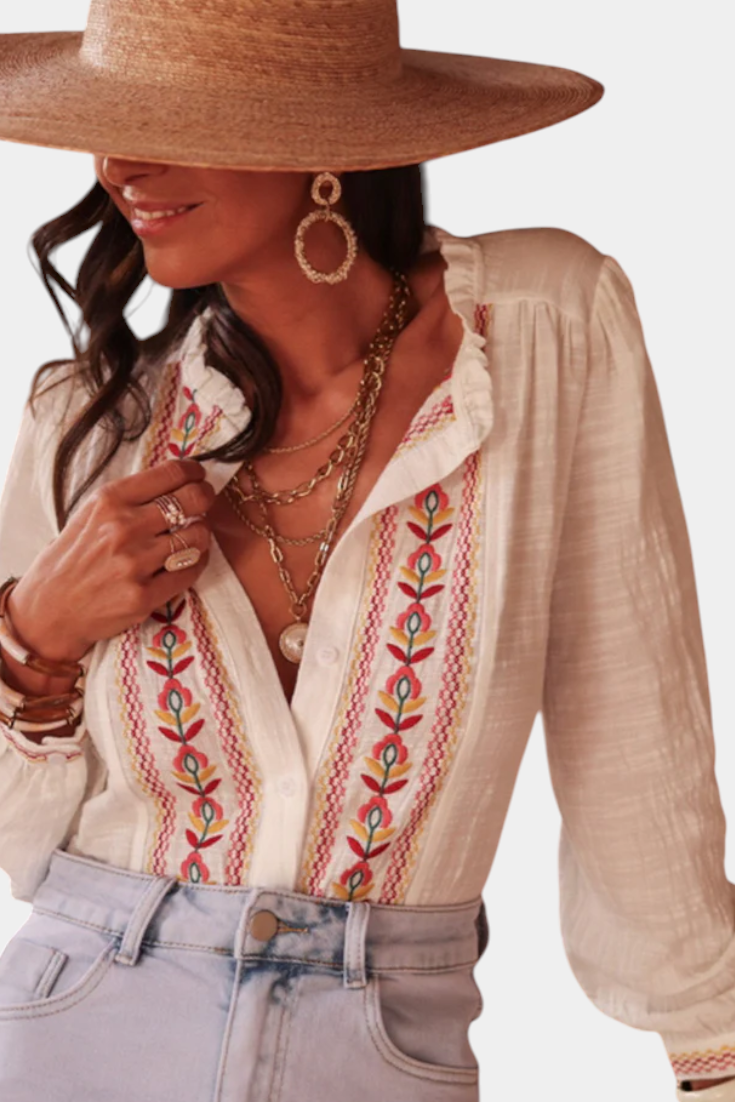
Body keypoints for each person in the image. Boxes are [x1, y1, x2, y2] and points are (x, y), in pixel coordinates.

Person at [0, 1, 732, 1099]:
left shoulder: (540, 325)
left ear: (328, 142)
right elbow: (21, 842)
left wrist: (710, 1045)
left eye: (172, 122)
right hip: (78, 1021)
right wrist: (36, 635)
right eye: (110, 126)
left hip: (383, 1045)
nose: (121, 167)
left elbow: (630, 708)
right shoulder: (92, 423)